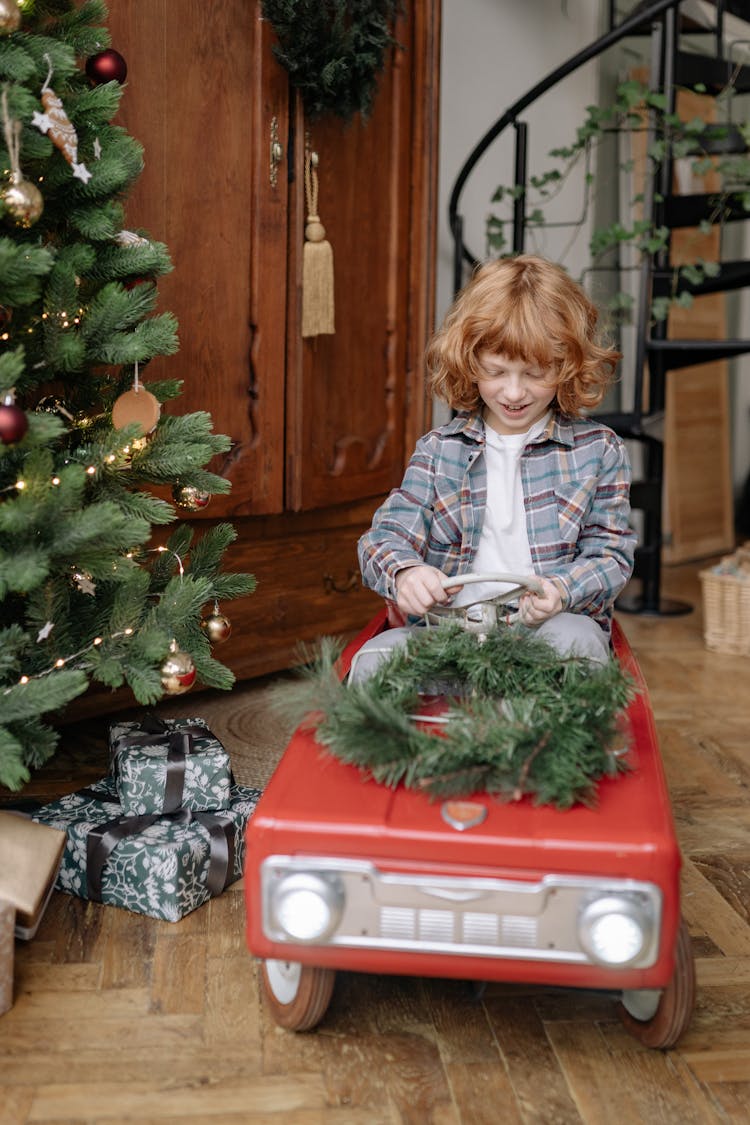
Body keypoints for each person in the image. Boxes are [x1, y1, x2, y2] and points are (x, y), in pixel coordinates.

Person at [354, 254, 636, 678]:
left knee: (579, 648)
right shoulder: (438, 452)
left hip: (548, 631)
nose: (515, 391)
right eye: (497, 371)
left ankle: (523, 730)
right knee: (373, 664)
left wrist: (562, 590)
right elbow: (383, 538)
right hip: (448, 632)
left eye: (535, 373)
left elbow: (611, 554)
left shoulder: (599, 450)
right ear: (470, 362)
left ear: (566, 365)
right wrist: (406, 572)